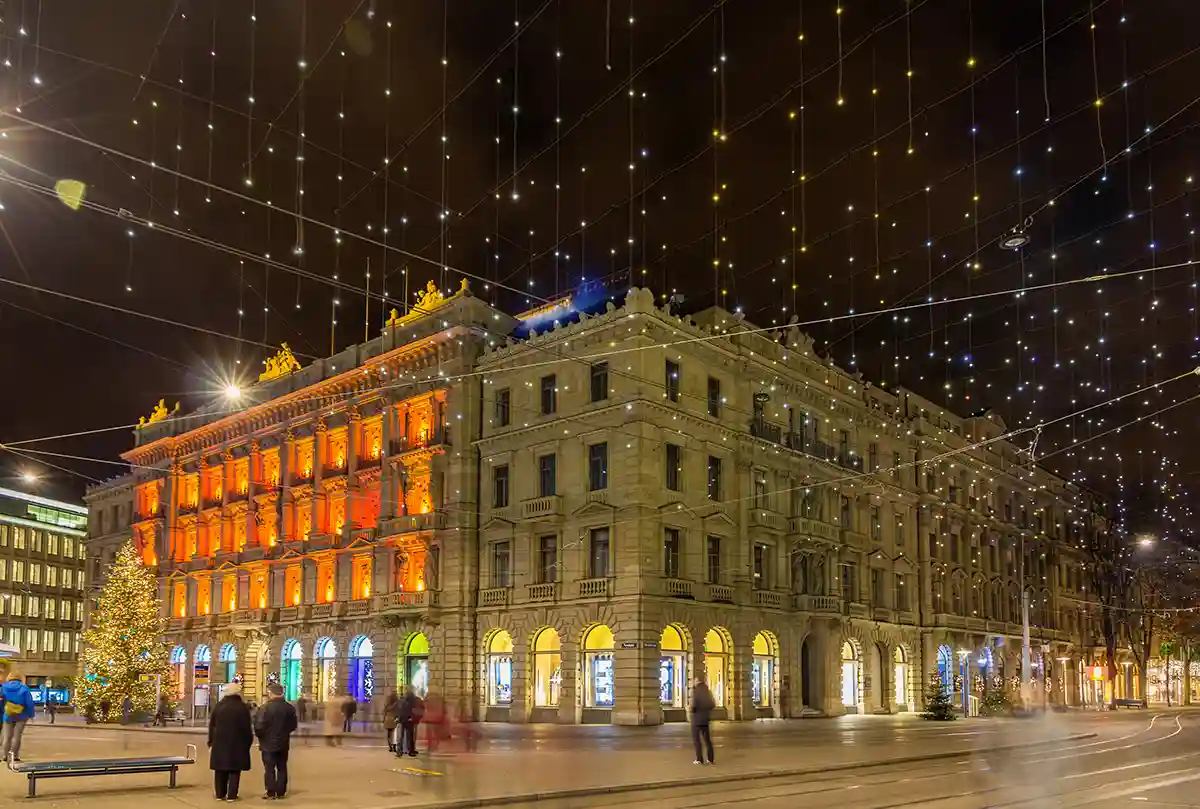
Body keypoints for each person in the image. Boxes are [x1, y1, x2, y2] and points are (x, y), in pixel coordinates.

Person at [208, 683, 254, 802]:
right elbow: (246, 728)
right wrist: (248, 742)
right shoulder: (241, 707)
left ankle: (220, 794)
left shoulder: (219, 706)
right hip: (237, 744)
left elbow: (212, 725)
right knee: (235, 769)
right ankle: (232, 795)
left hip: (219, 743)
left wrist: (211, 742)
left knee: (220, 770)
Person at [254, 684, 298, 801]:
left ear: (270, 693)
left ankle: (270, 792)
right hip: (283, 743)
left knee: (269, 768)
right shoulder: (289, 708)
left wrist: (261, 737)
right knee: (282, 767)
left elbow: (259, 726)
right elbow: (293, 725)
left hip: (267, 743)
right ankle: (281, 791)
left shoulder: (265, 708)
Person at [0, 672, 35, 762]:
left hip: (8, 714)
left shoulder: (3, 688)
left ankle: (5, 756)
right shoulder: (24, 688)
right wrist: (31, 714)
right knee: (17, 736)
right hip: (22, 715)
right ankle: (15, 756)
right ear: (20, 678)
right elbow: (29, 703)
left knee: (7, 736)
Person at [690, 678, 716, 765]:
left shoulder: (695, 692)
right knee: (707, 740)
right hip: (705, 719)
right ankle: (711, 759)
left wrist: (691, 709)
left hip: (696, 720)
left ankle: (699, 759)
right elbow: (712, 705)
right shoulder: (708, 692)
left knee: (697, 740)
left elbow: (693, 706)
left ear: (697, 681)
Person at [395, 686, 425, 757]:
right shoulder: (412, 700)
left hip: (404, 719)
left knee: (402, 737)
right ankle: (409, 751)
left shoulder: (404, 700)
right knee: (408, 737)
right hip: (406, 719)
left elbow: (399, 710)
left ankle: (401, 751)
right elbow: (399, 710)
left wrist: (397, 717)